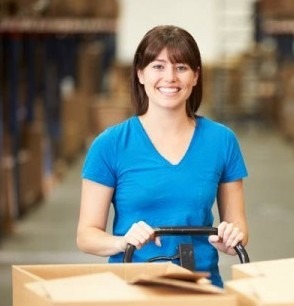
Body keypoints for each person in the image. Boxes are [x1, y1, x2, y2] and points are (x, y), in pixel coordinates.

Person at [76, 25, 248, 287]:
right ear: (140, 73)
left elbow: (239, 226)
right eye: (158, 66)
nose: (170, 77)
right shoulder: (110, 145)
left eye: (181, 67)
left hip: (201, 287)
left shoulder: (222, 141)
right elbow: (86, 235)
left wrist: (232, 236)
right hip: (134, 287)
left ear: (195, 76)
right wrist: (121, 241)